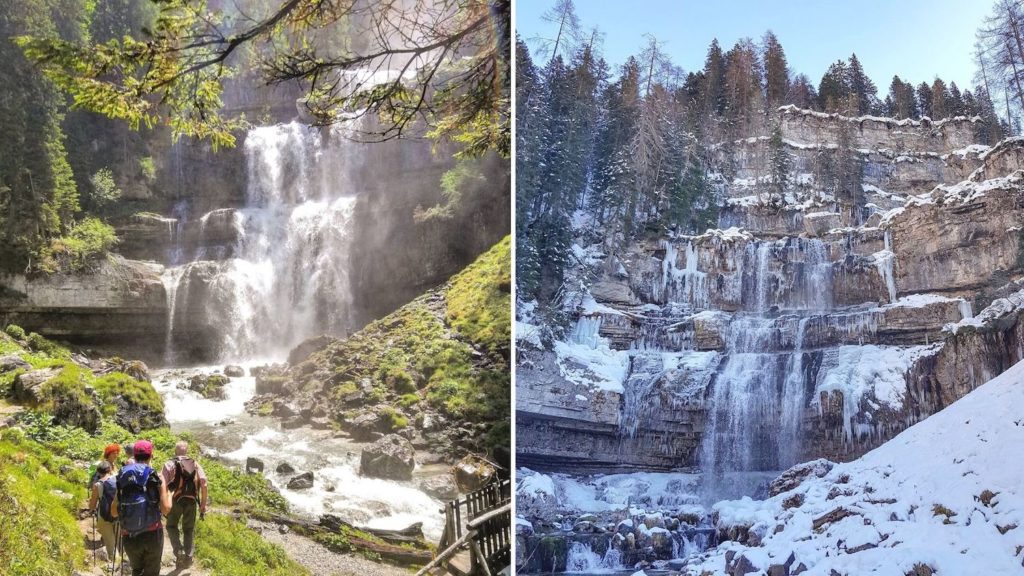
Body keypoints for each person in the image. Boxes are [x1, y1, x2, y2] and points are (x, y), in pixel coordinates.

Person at [111, 440, 171, 576]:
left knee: (137, 570)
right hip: (152, 533)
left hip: (129, 535)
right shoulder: (156, 477)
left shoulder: (123, 476)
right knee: (151, 572)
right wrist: (169, 495)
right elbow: (166, 509)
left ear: (134, 455)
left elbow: (113, 512)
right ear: (151, 455)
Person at [161, 440, 208, 569]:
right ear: (186, 451)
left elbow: (162, 485)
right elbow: (204, 484)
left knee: (171, 526)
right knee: (188, 529)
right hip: (192, 501)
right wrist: (203, 505)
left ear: (175, 451)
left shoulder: (169, 464)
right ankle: (188, 556)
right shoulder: (195, 464)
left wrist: (163, 505)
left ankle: (178, 551)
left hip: (175, 500)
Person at [87, 460, 117, 561]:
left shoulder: (97, 485)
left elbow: (92, 505)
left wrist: (91, 508)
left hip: (103, 516)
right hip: (119, 514)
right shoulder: (118, 480)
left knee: (109, 541)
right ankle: (123, 563)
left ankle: (112, 561)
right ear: (110, 470)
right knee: (120, 540)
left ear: (98, 472)